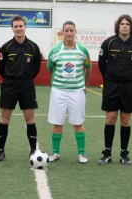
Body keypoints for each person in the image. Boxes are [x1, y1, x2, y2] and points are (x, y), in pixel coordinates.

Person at [97, 14, 132, 165]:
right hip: (111, 85)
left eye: (127, 24)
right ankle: (107, 153)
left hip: (130, 87)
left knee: (126, 120)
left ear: (131, 27)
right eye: (122, 24)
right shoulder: (108, 43)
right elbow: (101, 63)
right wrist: (108, 79)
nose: (124, 26)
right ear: (118, 26)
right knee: (110, 118)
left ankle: (124, 155)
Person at [0, 16, 41, 161]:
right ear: (12, 28)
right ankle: (1, 151)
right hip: (9, 84)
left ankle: (33, 150)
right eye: (16, 26)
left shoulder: (33, 47)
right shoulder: (6, 47)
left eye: (21, 26)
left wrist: (26, 78)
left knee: (30, 118)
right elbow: (0, 68)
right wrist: (11, 78)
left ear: (25, 27)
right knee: (4, 118)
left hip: (27, 85)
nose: (18, 29)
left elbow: (37, 68)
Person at [47, 21, 91, 164]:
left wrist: (85, 84)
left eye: (72, 30)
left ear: (75, 31)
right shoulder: (55, 50)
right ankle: (55, 153)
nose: (69, 33)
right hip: (58, 91)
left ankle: (82, 154)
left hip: (77, 91)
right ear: (63, 32)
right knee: (57, 123)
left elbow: (88, 68)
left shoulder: (83, 50)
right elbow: (50, 67)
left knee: (77, 123)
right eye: (67, 30)